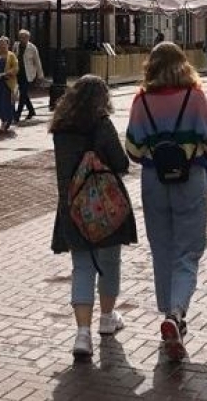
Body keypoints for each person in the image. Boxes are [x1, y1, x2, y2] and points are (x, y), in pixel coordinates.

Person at [125, 42, 207, 362]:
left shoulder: (141, 100)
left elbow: (133, 150)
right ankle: (176, 313)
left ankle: (168, 312)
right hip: (190, 179)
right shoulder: (195, 97)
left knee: (162, 248)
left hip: (154, 180)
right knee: (188, 251)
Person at [50, 75, 136, 360]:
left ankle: (82, 334)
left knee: (82, 268)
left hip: (73, 206)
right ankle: (107, 319)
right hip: (106, 205)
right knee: (109, 263)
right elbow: (121, 162)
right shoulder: (101, 124)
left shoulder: (61, 128)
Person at [0, 36, 18, 131]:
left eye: (5, 44)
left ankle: (5, 121)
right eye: (1, 44)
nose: (3, 46)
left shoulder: (11, 55)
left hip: (6, 82)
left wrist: (6, 73)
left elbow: (15, 68)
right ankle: (4, 119)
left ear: (8, 45)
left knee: (4, 102)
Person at [14, 29, 44, 122]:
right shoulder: (16, 45)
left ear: (28, 38)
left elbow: (37, 62)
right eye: (20, 37)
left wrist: (40, 75)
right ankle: (31, 110)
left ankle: (18, 114)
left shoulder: (32, 48)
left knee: (22, 94)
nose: (22, 39)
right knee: (23, 93)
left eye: (24, 37)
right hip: (18, 73)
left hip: (28, 74)